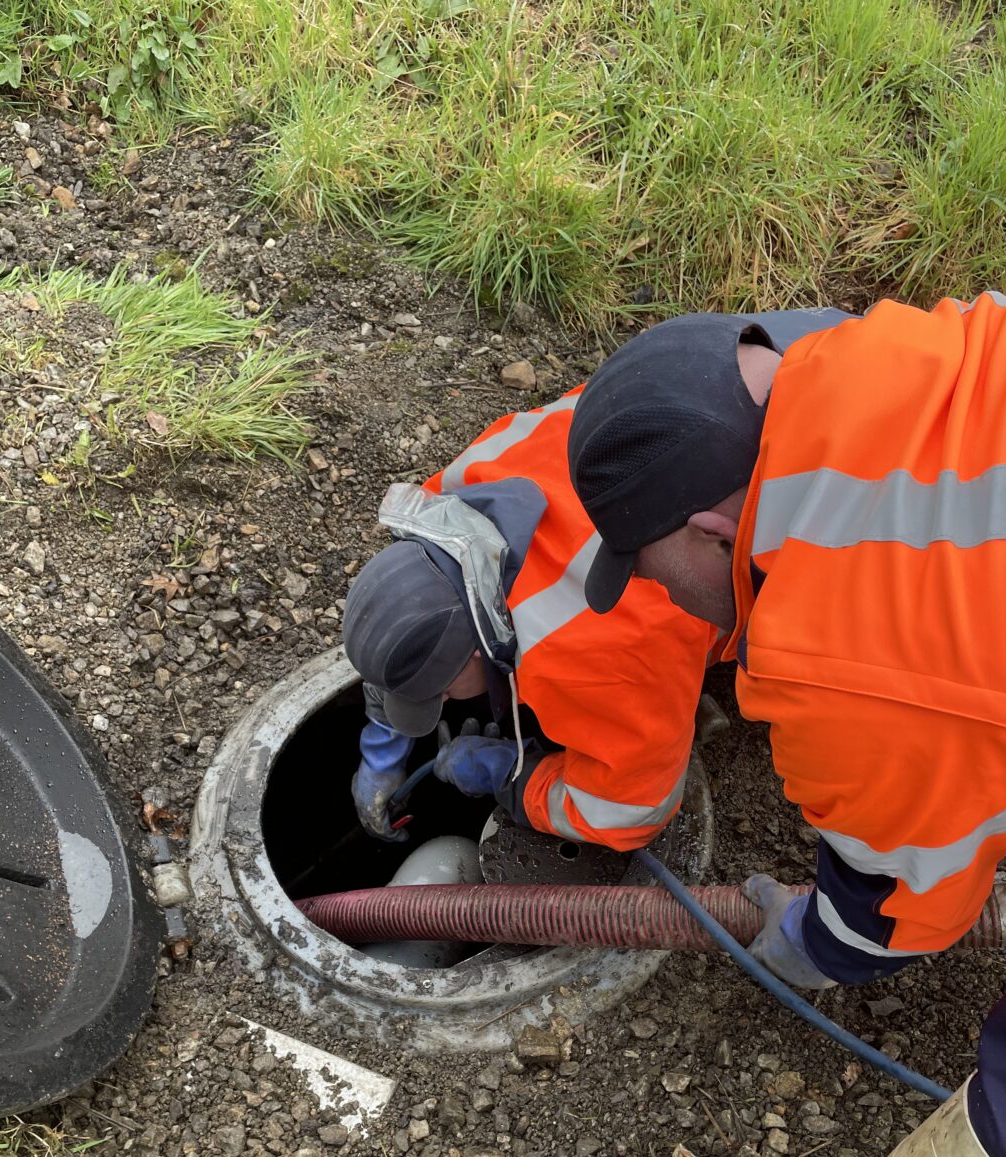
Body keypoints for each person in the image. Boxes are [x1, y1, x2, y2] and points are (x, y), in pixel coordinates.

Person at [566, 286, 1006, 1157]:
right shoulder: (934, 352)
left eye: (654, 566)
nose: (657, 596)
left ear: (717, 530)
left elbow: (902, 908)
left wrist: (810, 941)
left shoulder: (848, 647)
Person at [342, 308, 848, 853]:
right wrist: (384, 739)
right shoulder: (460, 485)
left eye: (439, 693)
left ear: (475, 655)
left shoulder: (591, 655)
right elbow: (417, 609)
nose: (443, 702)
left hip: (836, 501)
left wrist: (517, 777)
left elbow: (628, 811)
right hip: (804, 353)